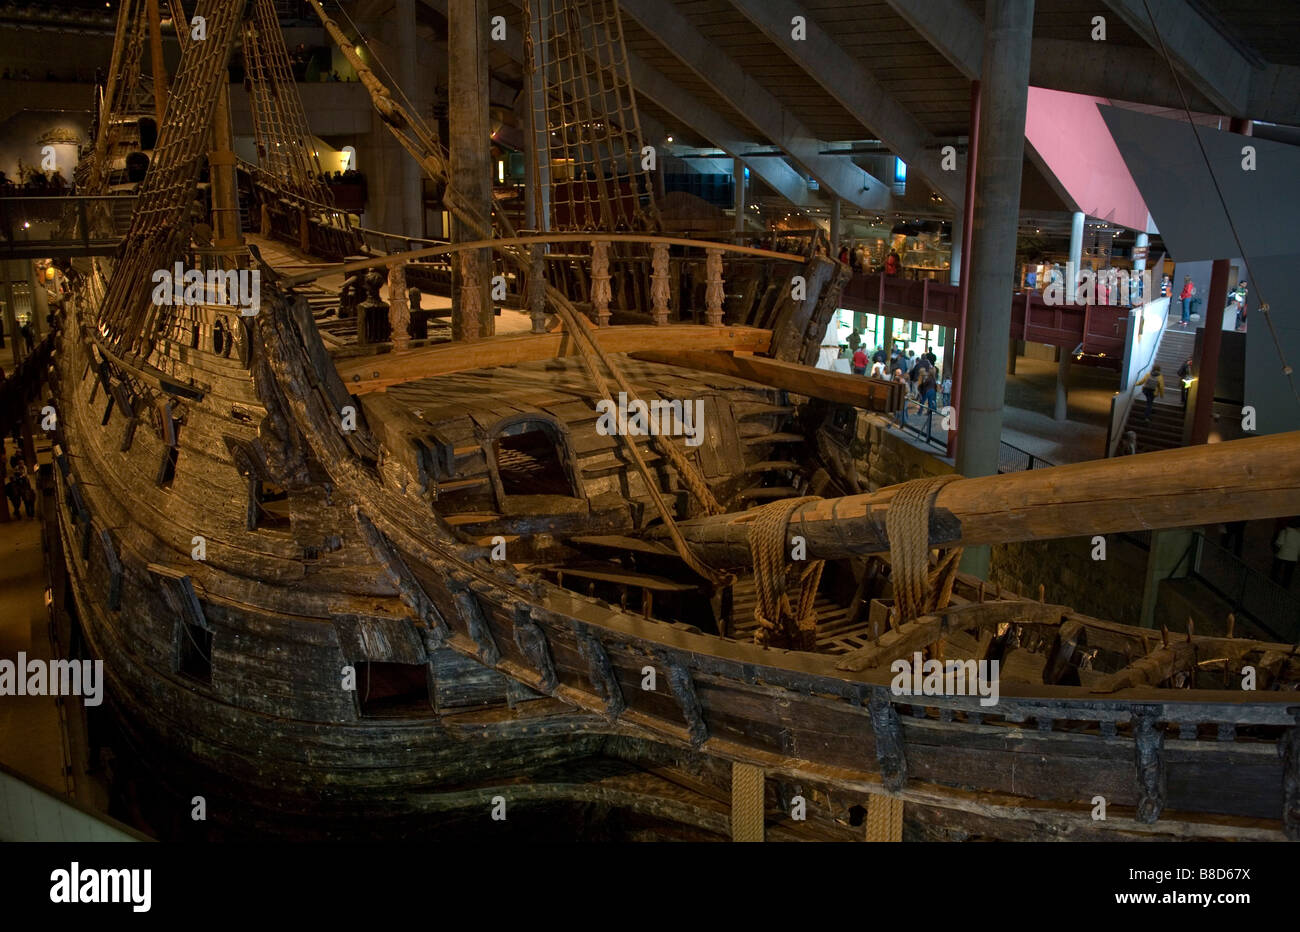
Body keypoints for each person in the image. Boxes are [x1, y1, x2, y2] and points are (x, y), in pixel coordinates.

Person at [1272, 521, 1300, 589]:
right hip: (1293, 558)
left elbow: (1279, 543)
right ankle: (1285, 586)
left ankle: (1273, 581)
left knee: (1276, 568)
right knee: (1288, 574)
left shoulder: (1284, 532)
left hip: (1282, 555)